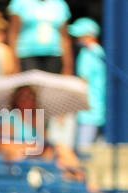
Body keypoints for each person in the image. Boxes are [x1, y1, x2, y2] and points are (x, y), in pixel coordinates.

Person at [7, 0, 72, 75]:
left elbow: (64, 37)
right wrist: (14, 61)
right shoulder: (20, 2)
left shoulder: (60, 5)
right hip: (26, 55)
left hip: (54, 56)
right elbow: (13, 32)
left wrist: (68, 65)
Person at [70, 19, 105, 152]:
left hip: (87, 109)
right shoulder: (100, 52)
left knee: (83, 151)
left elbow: (82, 82)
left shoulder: (87, 54)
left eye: (80, 34)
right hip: (97, 108)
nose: (76, 38)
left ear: (90, 35)